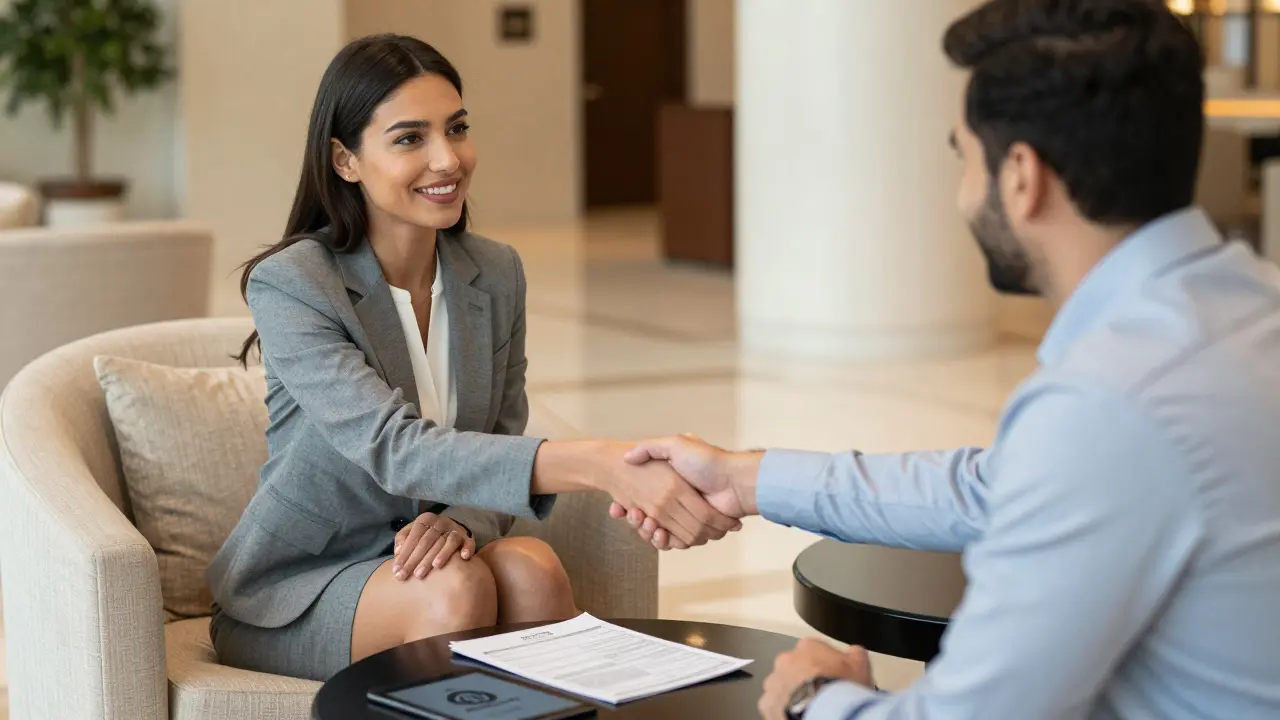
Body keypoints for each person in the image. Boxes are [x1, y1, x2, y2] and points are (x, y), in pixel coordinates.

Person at [612, 1, 1280, 717]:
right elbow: (993, 488)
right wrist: (748, 479)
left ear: (1022, 178)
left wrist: (812, 694)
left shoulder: (1111, 403)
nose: (963, 193)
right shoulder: (1251, 307)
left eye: (964, 157)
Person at [206, 34, 738, 682]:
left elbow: (499, 429)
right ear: (345, 160)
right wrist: (602, 464)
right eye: (409, 139)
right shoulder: (295, 283)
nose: (447, 159)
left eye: (456, 128)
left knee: (532, 570)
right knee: (454, 589)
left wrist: (462, 520)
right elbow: (397, 448)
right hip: (299, 587)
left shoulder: (494, 272)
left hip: (427, 563)